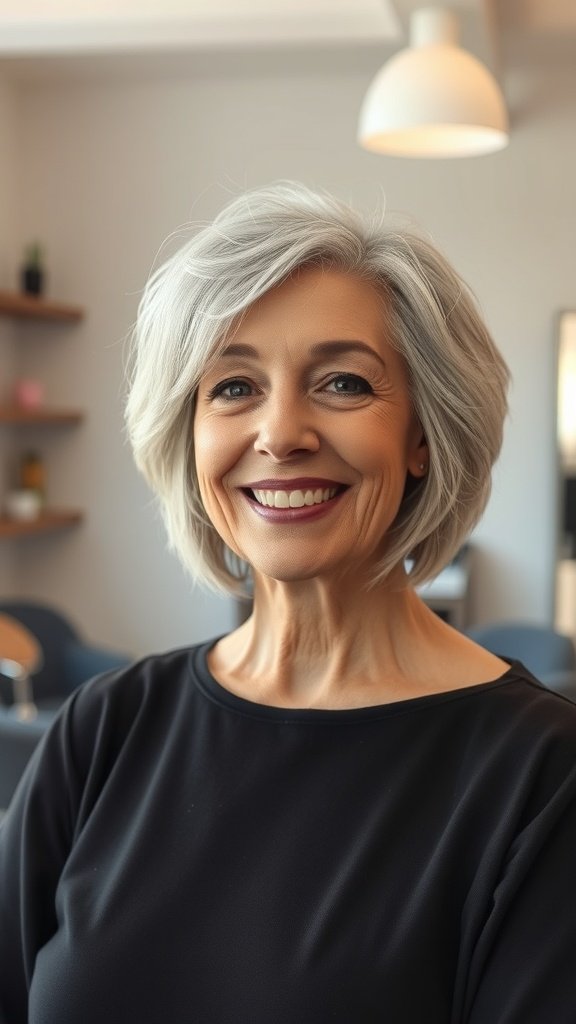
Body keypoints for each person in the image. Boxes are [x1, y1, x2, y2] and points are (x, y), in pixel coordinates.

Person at [1, 182, 575, 1024]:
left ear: (423, 435)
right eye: (233, 387)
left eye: (342, 383)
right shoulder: (103, 733)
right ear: (190, 435)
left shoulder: (538, 779)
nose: (280, 433)